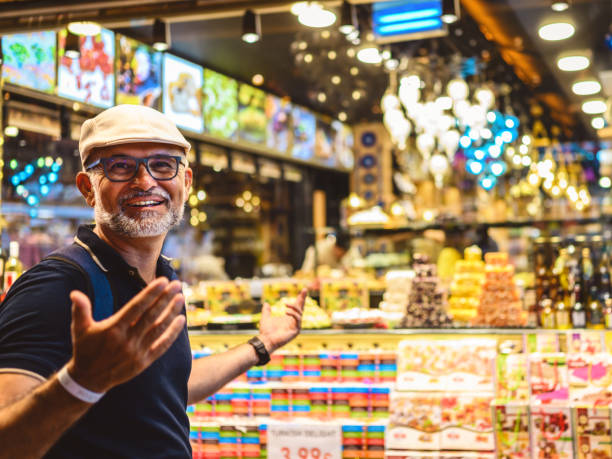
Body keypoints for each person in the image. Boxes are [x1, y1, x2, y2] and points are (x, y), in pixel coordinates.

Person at [0, 105, 306, 458]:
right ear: (88, 188)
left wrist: (261, 344)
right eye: (120, 166)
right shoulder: (57, 286)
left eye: (162, 165)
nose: (145, 181)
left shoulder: (161, 277)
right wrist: (81, 382)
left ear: (186, 183)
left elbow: (166, 387)